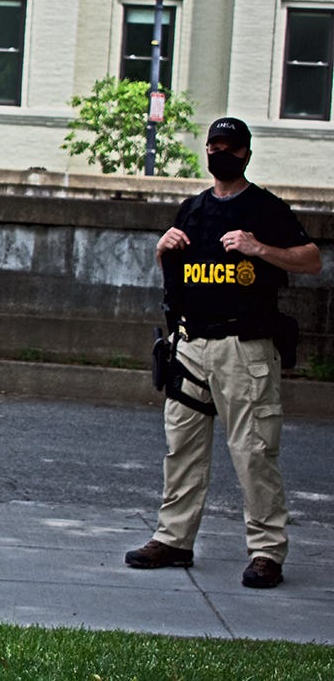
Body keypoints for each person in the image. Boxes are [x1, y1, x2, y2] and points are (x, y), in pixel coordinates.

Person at [125, 116, 322, 589]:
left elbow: (312, 260)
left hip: (244, 347)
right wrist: (162, 251)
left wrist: (259, 248)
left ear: (246, 155)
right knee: (182, 447)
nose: (220, 153)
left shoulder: (266, 209)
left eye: (229, 147)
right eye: (214, 146)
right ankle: (173, 539)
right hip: (191, 344)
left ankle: (267, 551)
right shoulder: (192, 210)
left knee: (254, 451)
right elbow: (176, 278)